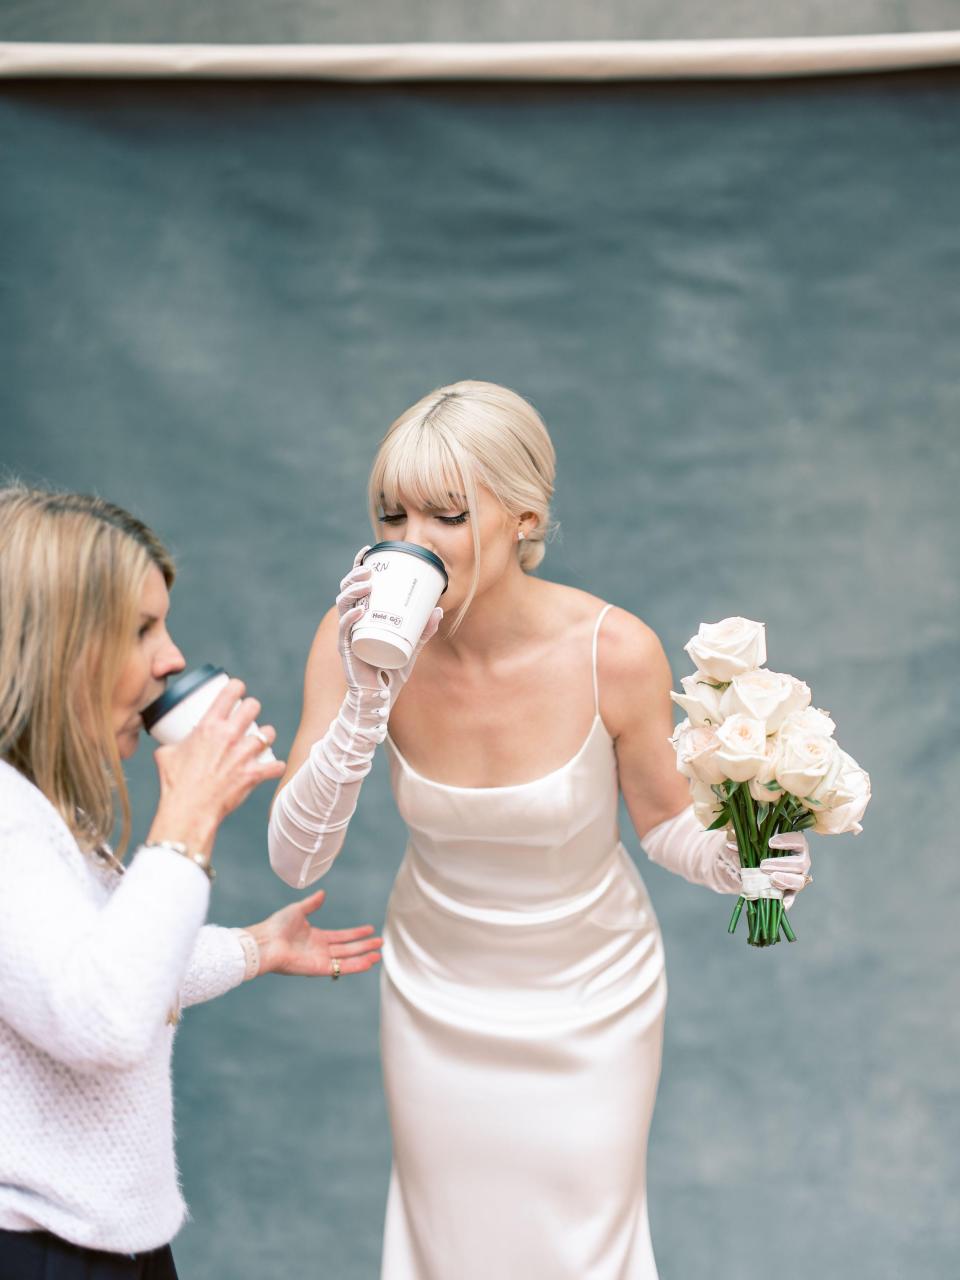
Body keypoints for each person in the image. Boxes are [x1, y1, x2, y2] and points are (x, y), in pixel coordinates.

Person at [268, 381, 811, 1279]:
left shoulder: (614, 649)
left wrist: (740, 862)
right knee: (451, 1246)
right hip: (436, 992)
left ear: (523, 518)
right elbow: (296, 859)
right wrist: (366, 699)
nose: (409, 544)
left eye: (445, 515)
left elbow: (666, 822)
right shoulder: (349, 635)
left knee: (578, 1247)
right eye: (389, 515)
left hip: (593, 996)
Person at [0, 487, 383, 1280]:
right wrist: (187, 819)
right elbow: (102, 1017)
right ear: (52, 643)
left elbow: (105, 958)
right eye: (141, 629)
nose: (171, 658)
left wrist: (254, 949)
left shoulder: (37, 807)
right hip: (38, 1252)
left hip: (111, 1245)